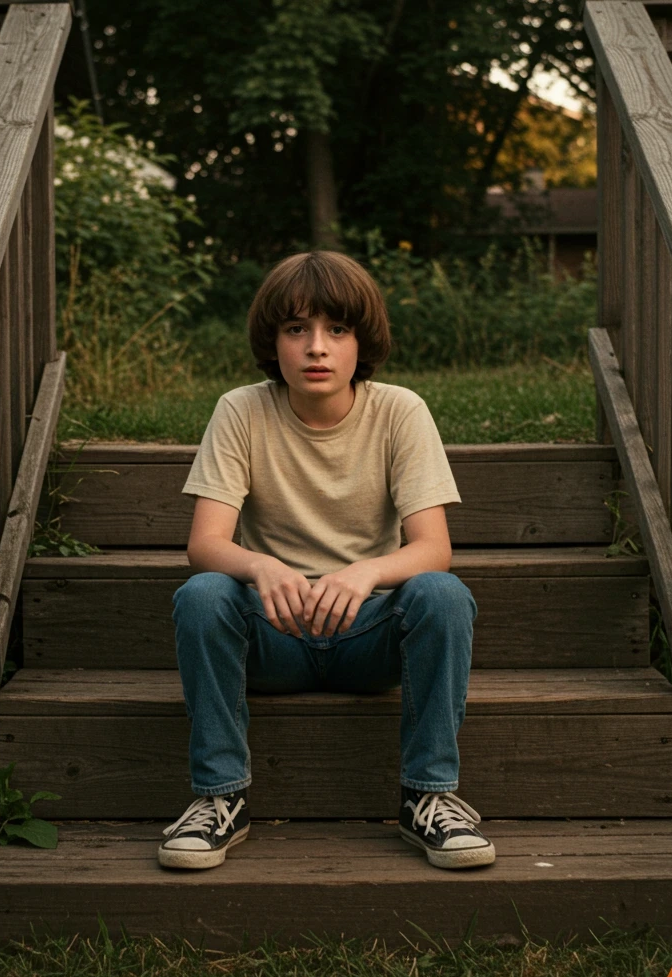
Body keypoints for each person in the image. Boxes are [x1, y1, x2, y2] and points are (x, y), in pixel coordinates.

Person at [158, 249, 495, 872]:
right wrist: (261, 567)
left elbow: (433, 549)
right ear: (273, 342)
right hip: (273, 635)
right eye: (297, 329)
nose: (317, 348)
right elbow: (204, 544)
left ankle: (428, 795)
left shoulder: (400, 411)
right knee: (202, 595)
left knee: (443, 595)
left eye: (336, 330)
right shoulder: (241, 410)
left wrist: (365, 571)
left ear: (360, 341)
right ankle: (221, 797)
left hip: (368, 637)